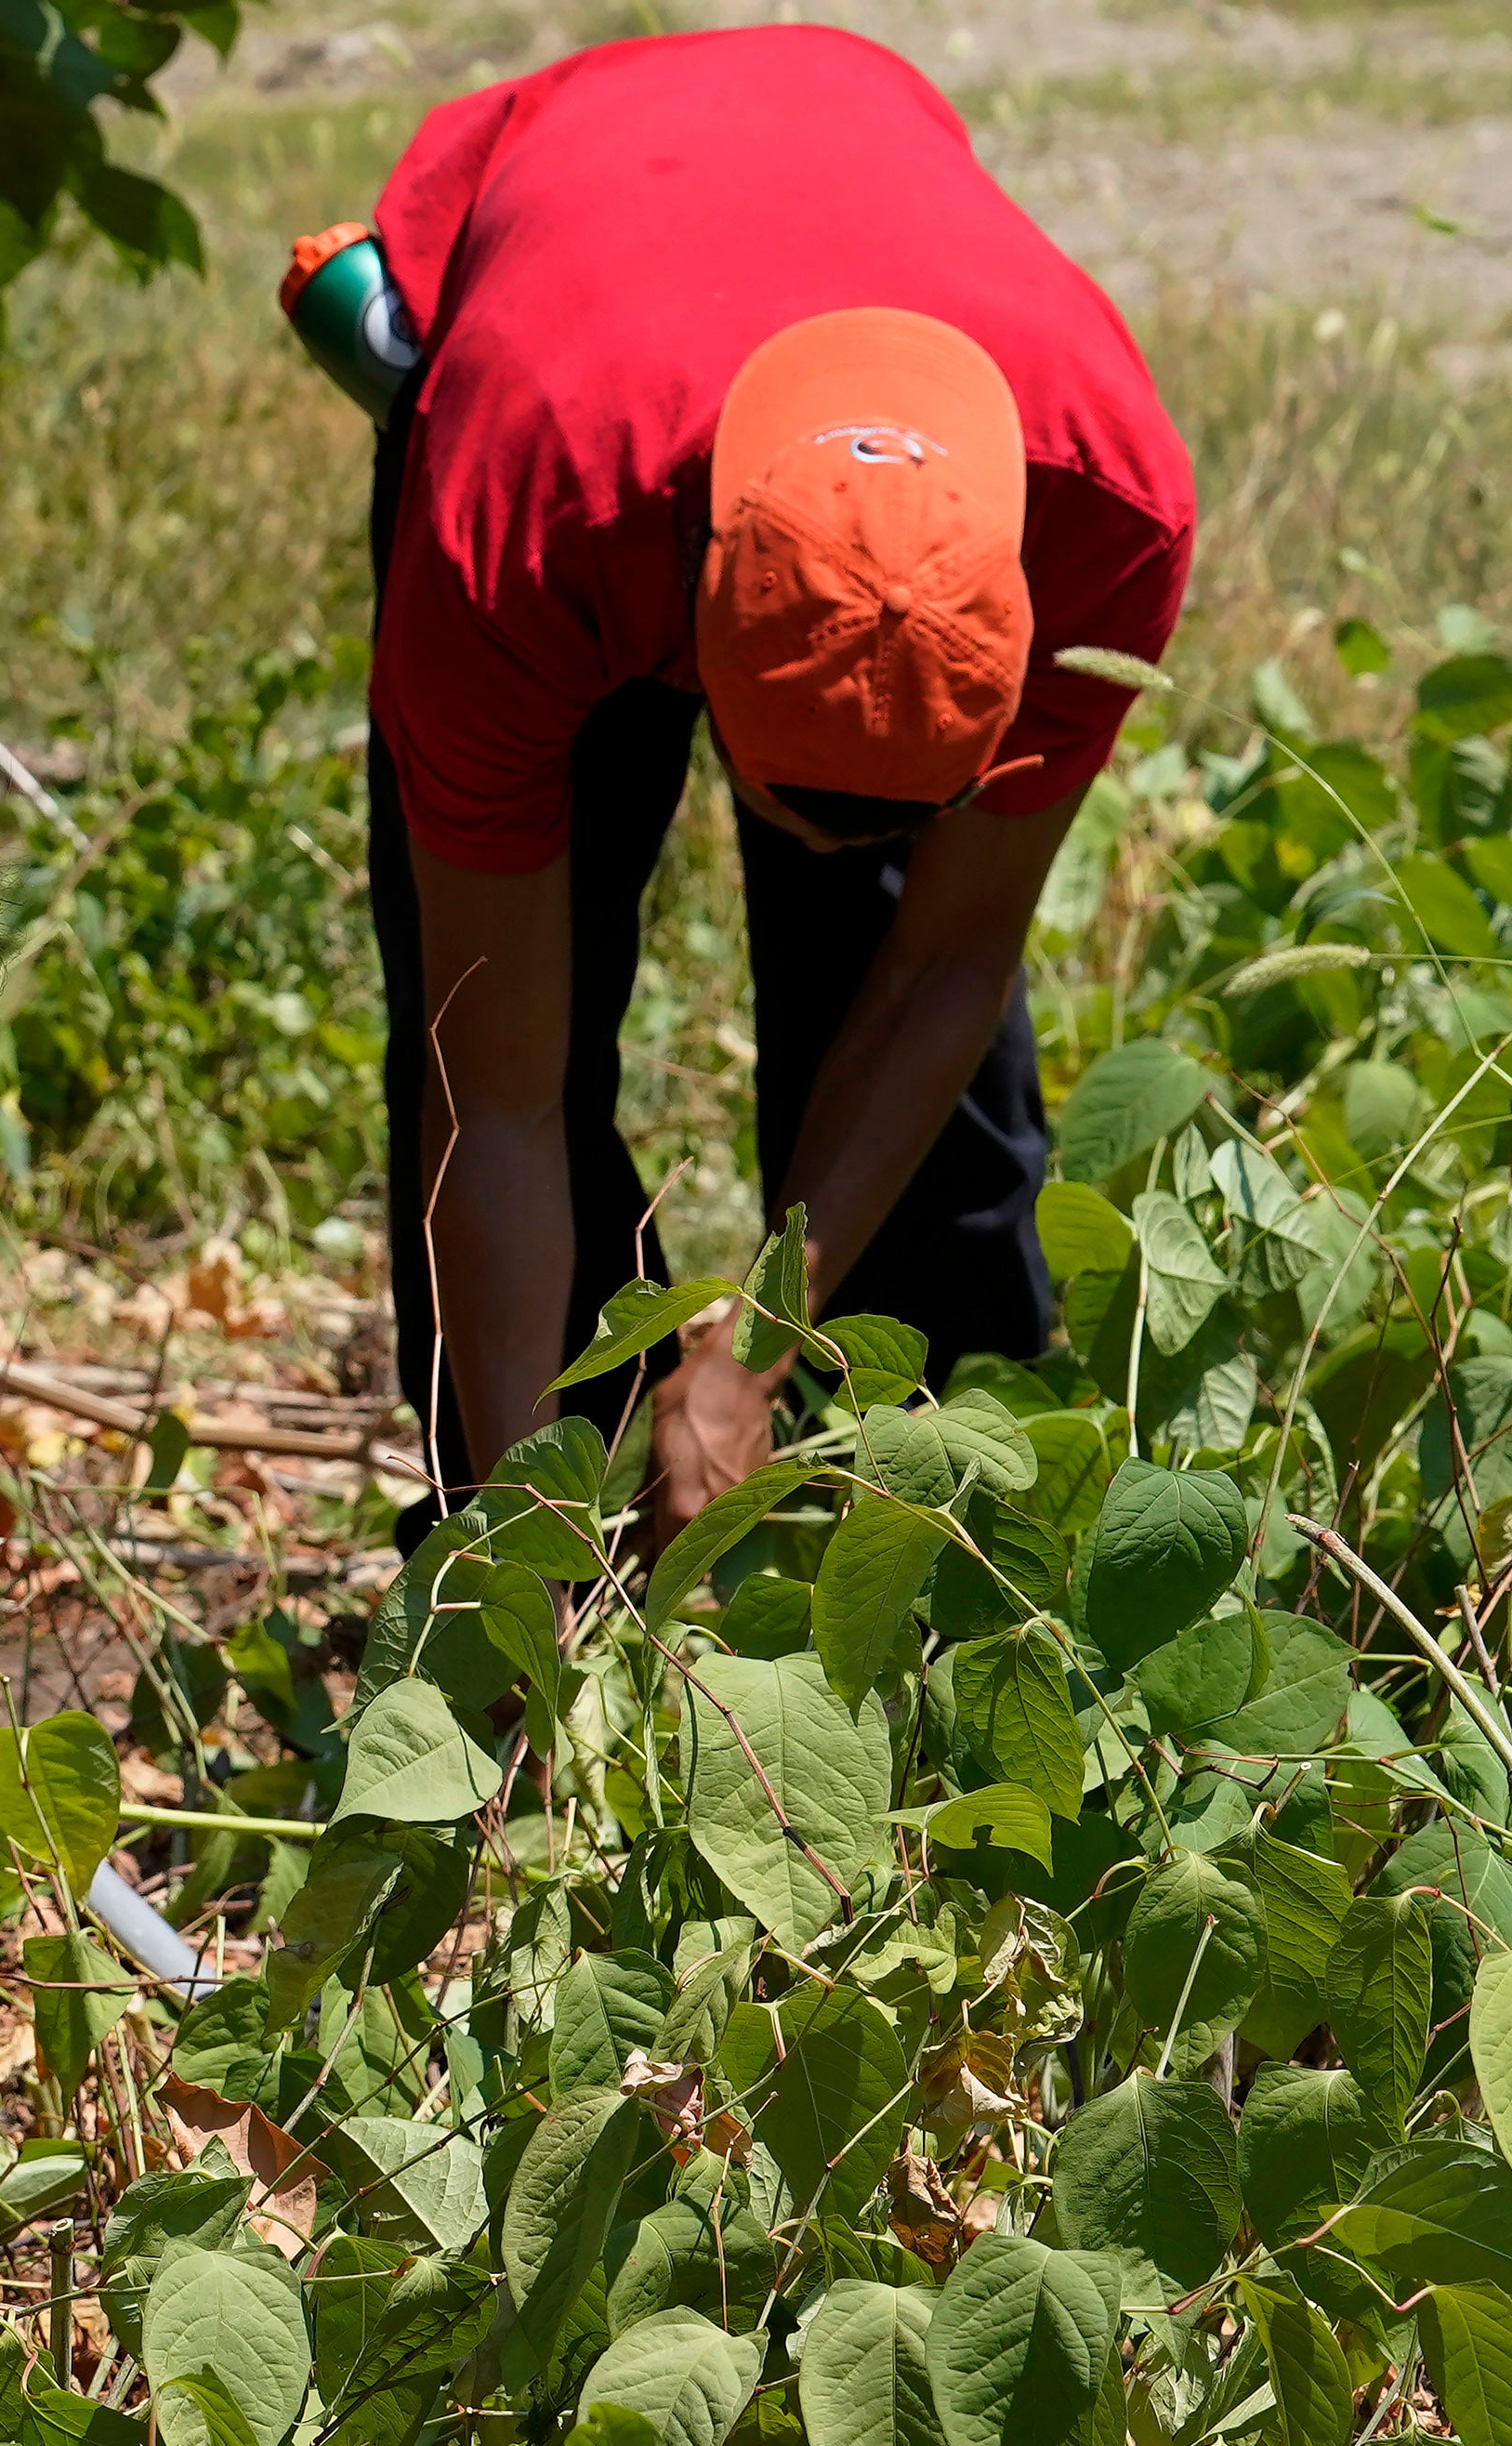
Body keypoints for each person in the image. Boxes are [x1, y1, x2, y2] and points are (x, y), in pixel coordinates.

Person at [335, 26, 1195, 1539]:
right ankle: (543, 1538)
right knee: (514, 994)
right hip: (588, 265)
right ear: (693, 624)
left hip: (849, 127)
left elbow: (948, 955)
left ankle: (933, 1507)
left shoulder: (1102, 514)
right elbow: (500, 1105)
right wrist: (526, 1543)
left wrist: (756, 1352)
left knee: (891, 970)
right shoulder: (519, 525)